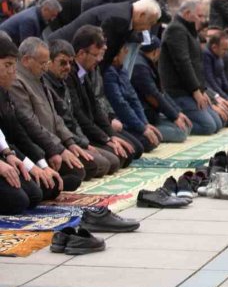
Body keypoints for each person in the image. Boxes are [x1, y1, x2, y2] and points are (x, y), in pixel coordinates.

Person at [10, 37, 87, 189]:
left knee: (91, 165)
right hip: (38, 145)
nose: (46, 68)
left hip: (51, 143)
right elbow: (30, 124)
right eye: (43, 63)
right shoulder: (16, 82)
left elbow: (56, 115)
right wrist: (55, 150)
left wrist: (70, 142)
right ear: (26, 60)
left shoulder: (38, 77)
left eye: (47, 62)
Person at [0, 35, 63, 208]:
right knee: (20, 200)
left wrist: (37, 164)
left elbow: (17, 132)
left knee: (45, 188)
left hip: (7, 154)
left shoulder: (3, 93)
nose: (13, 71)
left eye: (14, 65)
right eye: (8, 65)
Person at [44, 39, 119, 178]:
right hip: (59, 143)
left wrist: (86, 142)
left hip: (74, 138)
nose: (67, 67)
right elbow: (59, 122)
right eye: (62, 62)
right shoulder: (46, 84)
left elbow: (73, 118)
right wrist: (77, 144)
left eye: (70, 63)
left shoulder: (63, 81)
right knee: (101, 165)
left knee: (115, 160)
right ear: (49, 62)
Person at [65, 26, 136, 169]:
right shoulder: (69, 73)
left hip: (93, 128)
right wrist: (105, 138)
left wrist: (110, 135)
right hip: (82, 133)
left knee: (130, 150)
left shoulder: (88, 70)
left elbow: (96, 107)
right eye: (96, 55)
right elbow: (77, 114)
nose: (99, 59)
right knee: (114, 160)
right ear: (81, 53)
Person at [159, 0, 222, 135]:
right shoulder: (176, 30)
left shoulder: (190, 32)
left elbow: (197, 66)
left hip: (191, 90)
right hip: (179, 92)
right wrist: (195, 90)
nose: (203, 20)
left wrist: (202, 90)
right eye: (200, 16)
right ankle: (169, 121)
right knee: (208, 126)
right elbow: (183, 63)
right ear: (187, 14)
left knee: (217, 123)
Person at [49, 0, 161, 66]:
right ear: (141, 15)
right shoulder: (120, 20)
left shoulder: (125, 13)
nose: (147, 28)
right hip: (60, 49)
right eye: (150, 22)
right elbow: (102, 56)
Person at [102, 45, 162, 153]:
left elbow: (133, 99)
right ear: (115, 56)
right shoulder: (108, 73)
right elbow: (120, 105)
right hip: (119, 121)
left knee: (155, 137)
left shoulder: (122, 70)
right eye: (123, 49)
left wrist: (145, 124)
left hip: (131, 121)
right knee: (142, 144)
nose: (127, 51)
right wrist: (142, 128)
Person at [131, 37, 191, 143]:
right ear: (156, 51)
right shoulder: (140, 67)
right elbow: (153, 95)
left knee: (185, 126)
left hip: (150, 112)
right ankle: (141, 133)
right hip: (144, 114)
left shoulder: (145, 62)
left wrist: (177, 113)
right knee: (180, 133)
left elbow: (161, 92)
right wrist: (174, 117)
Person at [203, 32, 228, 108]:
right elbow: (210, 81)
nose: (226, 52)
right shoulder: (206, 56)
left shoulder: (219, 56)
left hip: (220, 92)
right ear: (214, 47)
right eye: (224, 49)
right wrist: (227, 99)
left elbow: (224, 80)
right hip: (213, 94)